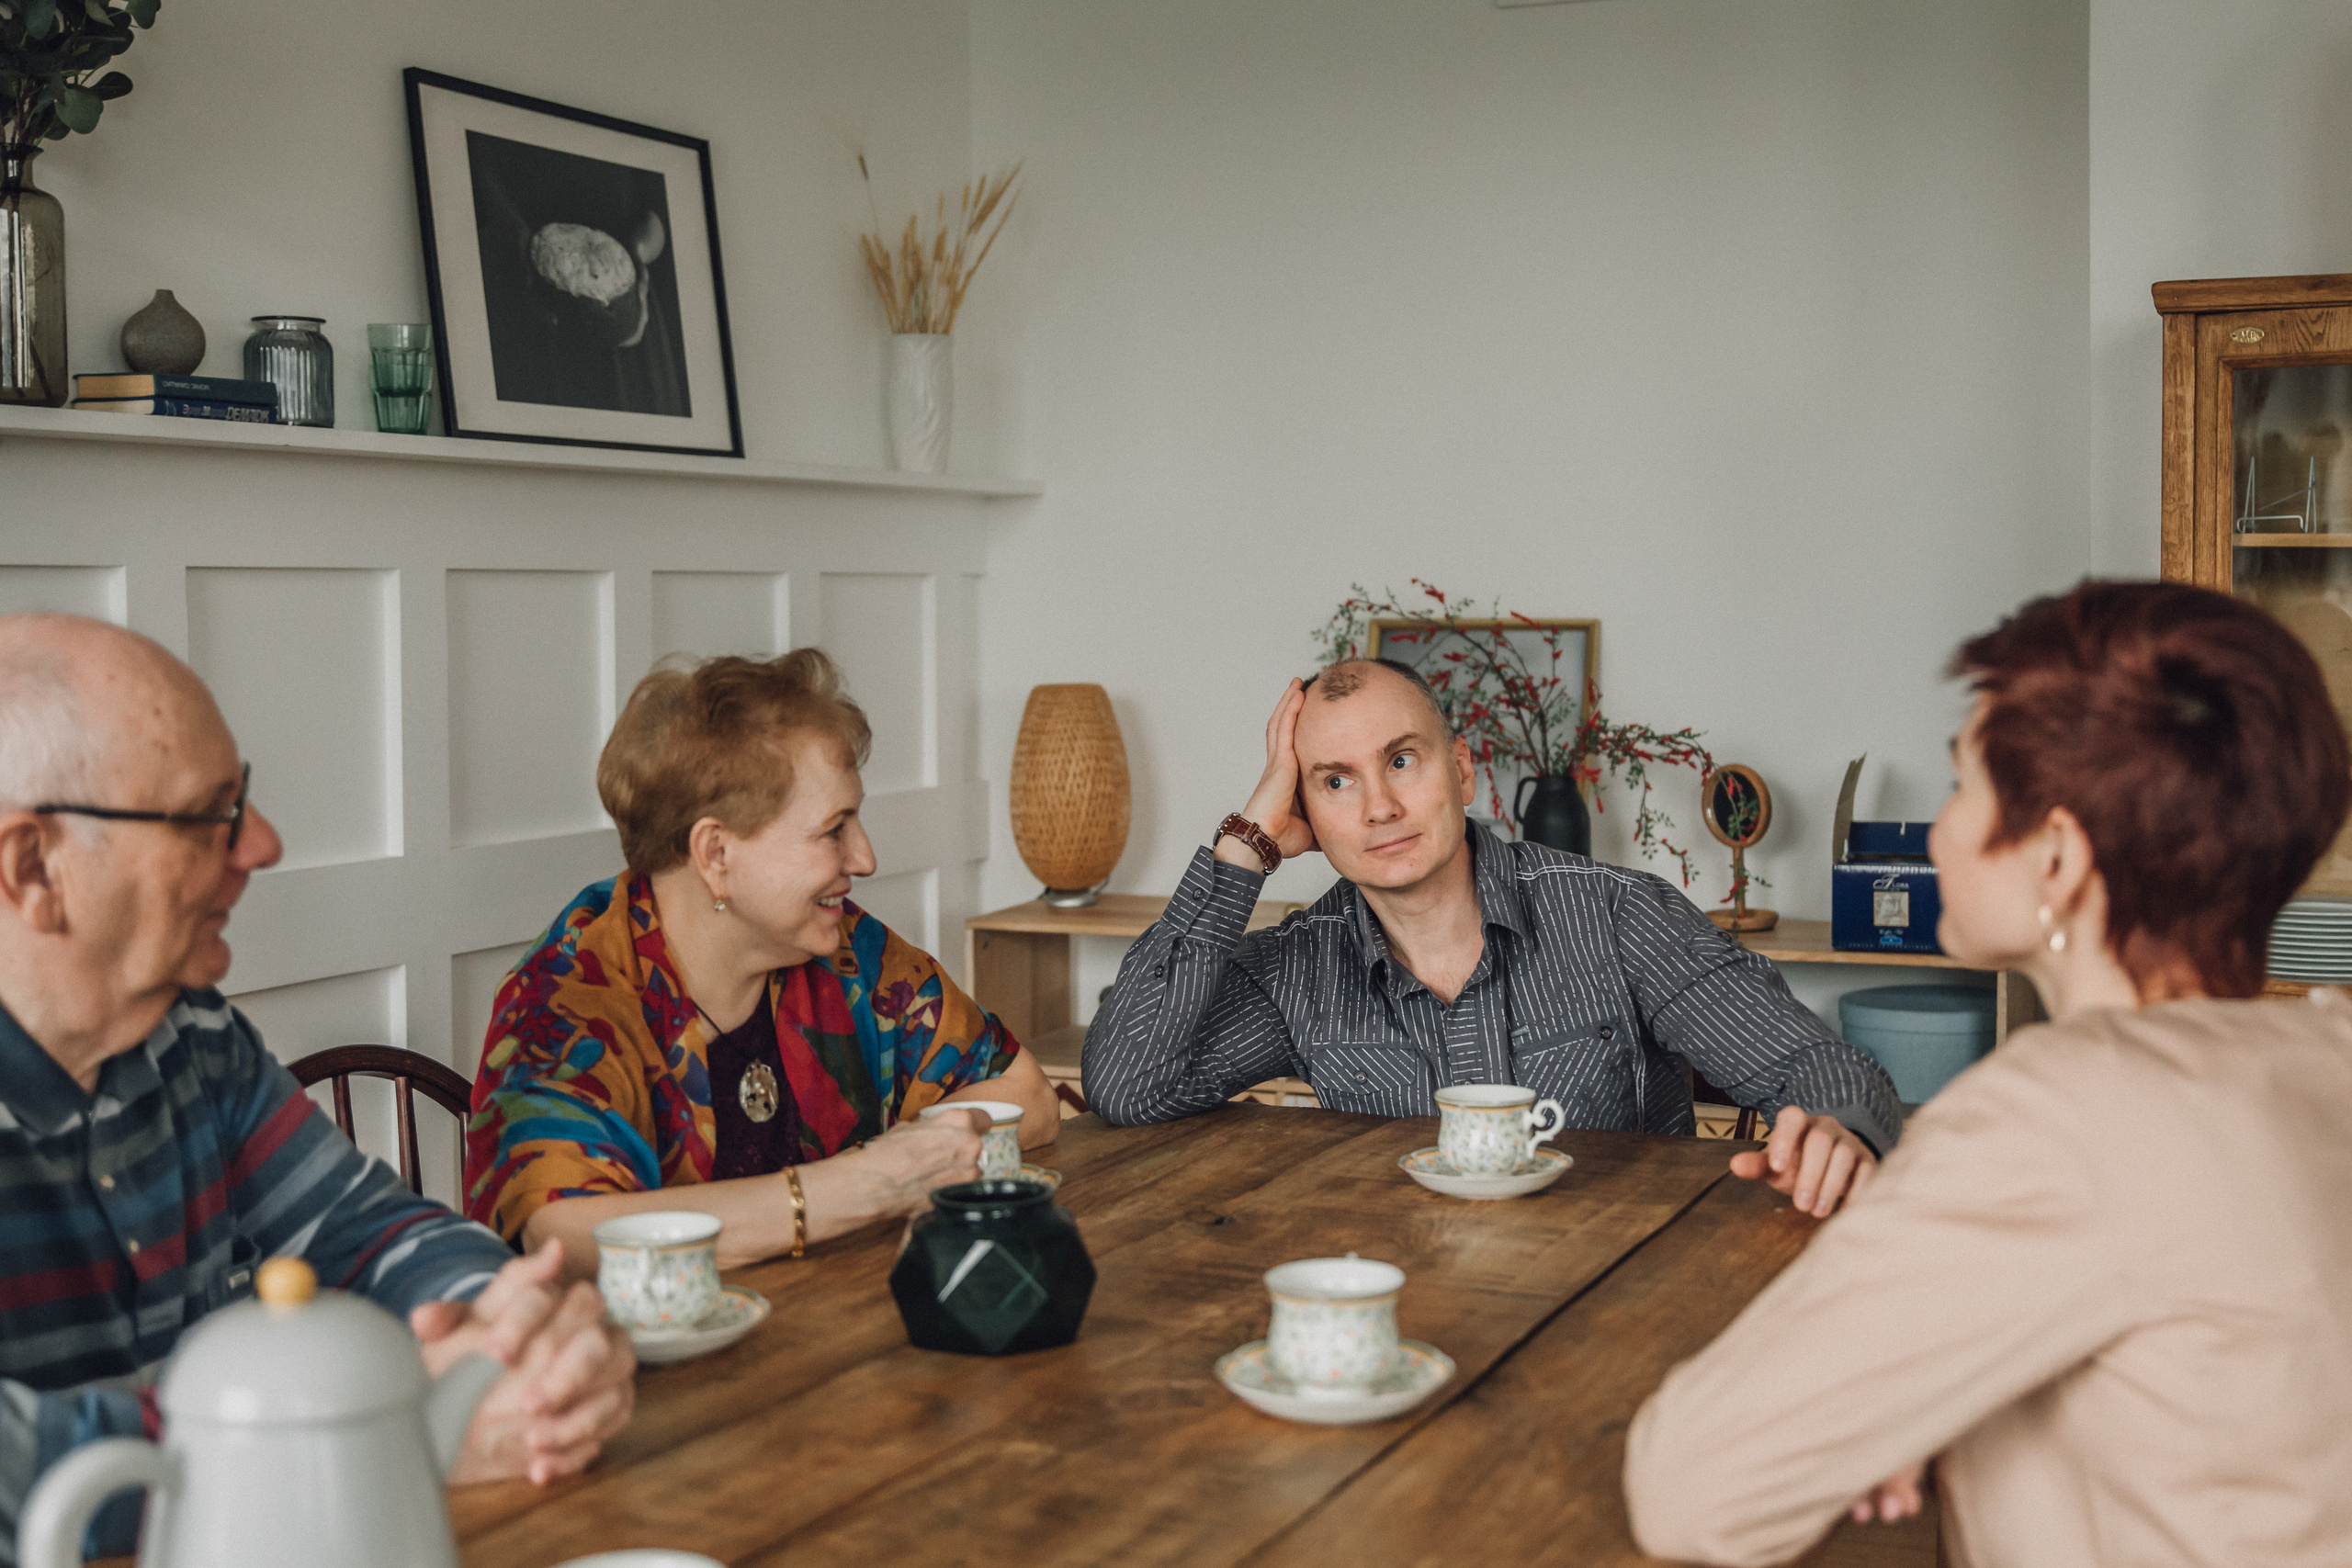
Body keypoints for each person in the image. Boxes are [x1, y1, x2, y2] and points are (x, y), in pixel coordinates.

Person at [1623, 581, 2352, 1567]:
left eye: (1962, 786)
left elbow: (1693, 1489)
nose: (1937, 831)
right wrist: (1928, 1406)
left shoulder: (2062, 1111)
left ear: (2055, 857)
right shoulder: (2325, 1047)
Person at [0, 615, 635, 1565]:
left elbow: (373, 1232)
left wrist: (514, 1343)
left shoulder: (192, 1035)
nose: (262, 842)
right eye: (207, 815)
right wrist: (378, 1430)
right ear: (33, 868)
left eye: (242, 800)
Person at [1084, 658, 1905, 1216]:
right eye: (1335, 781)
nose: (1377, 807)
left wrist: (1836, 1127)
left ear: (1464, 770)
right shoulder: (1300, 965)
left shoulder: (1618, 916)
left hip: (1624, 1310)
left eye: (1401, 761)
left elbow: (1820, 1066)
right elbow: (1127, 1083)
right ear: (1305, 815)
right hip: (1406, 1323)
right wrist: (1243, 845)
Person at [465, 649, 1060, 1276]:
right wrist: (858, 1186)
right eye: (835, 828)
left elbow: (1029, 1096)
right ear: (716, 851)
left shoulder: (848, 955)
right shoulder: (570, 995)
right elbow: (569, 1237)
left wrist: (905, 1165)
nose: (865, 857)